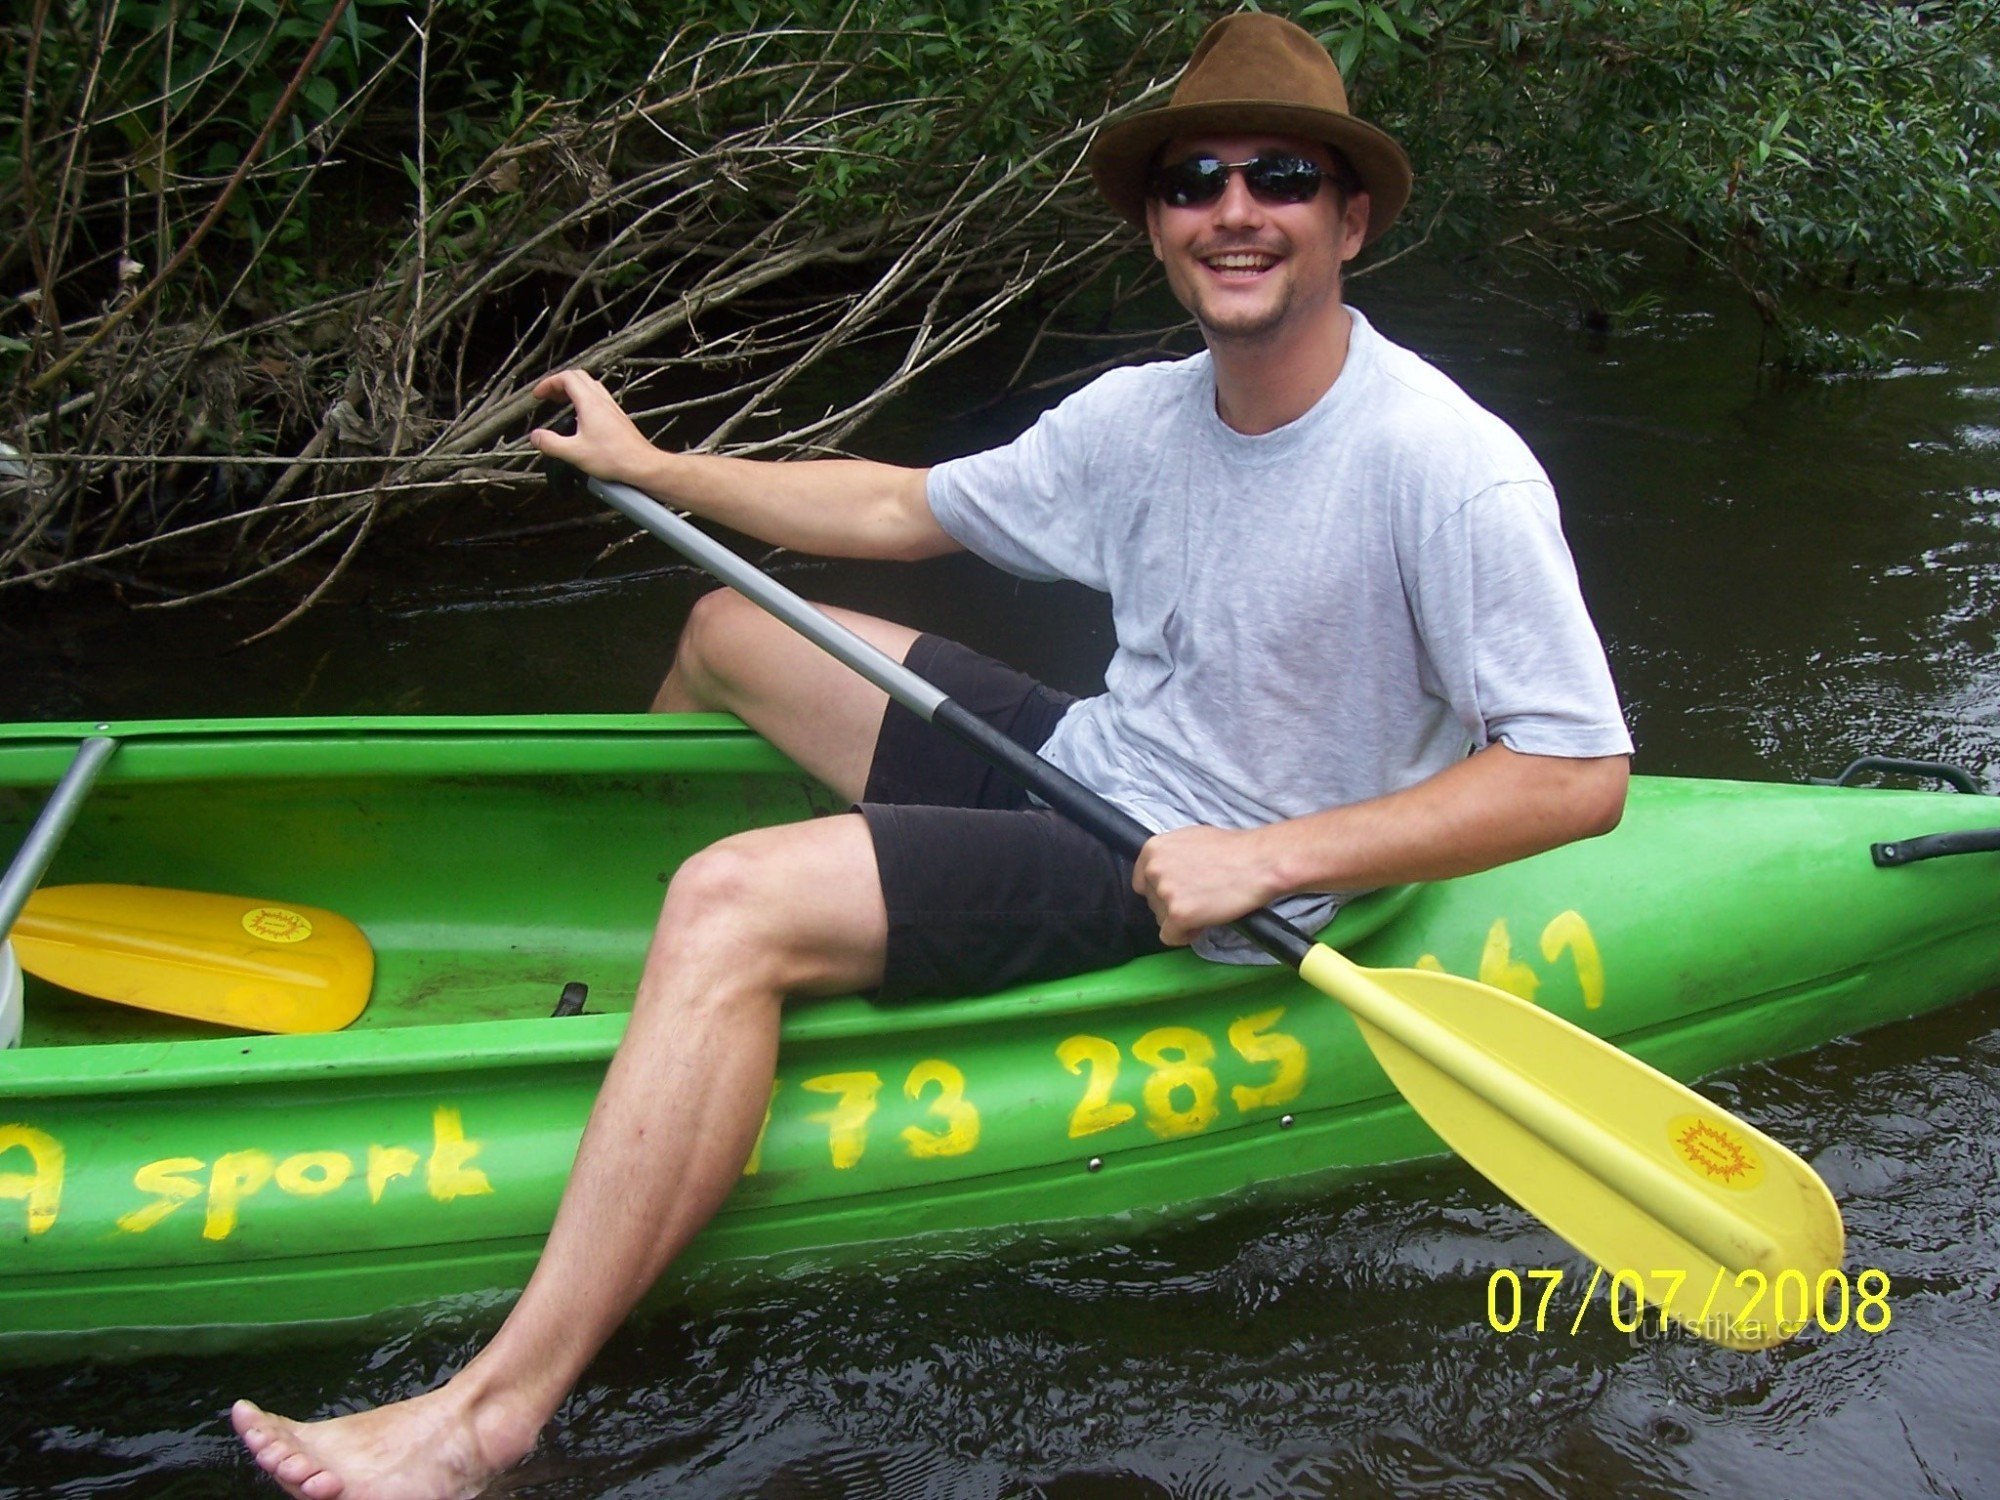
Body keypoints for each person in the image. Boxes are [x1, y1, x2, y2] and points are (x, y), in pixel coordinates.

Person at [231, 13, 1631, 1498]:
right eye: (1192, 179)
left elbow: (1574, 769)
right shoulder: (1145, 415)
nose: (1232, 209)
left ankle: (483, 1420)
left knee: (738, 895)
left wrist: (1270, 858)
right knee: (728, 631)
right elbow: (902, 510)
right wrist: (650, 467)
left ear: (1347, 219)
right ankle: (665, 1011)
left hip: (1209, 881)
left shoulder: (1442, 464)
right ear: (1156, 224)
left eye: (1278, 176)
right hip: (1100, 763)